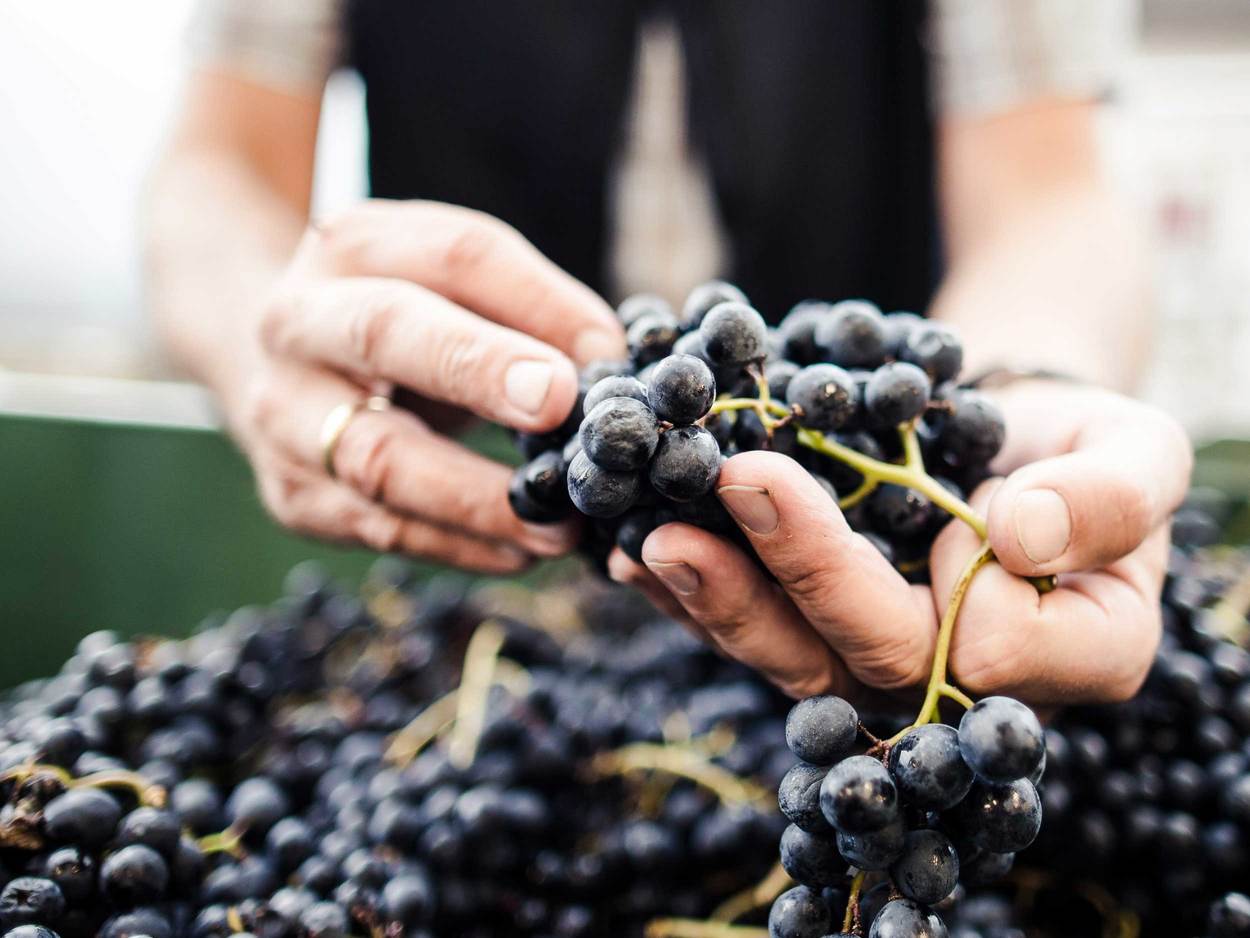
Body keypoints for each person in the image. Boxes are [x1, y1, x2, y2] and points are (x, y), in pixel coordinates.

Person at [146, 1, 1191, 707]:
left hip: (873, 544)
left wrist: (1016, 394)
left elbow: (1046, 188)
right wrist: (260, 344)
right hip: (476, 586)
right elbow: (220, 159)